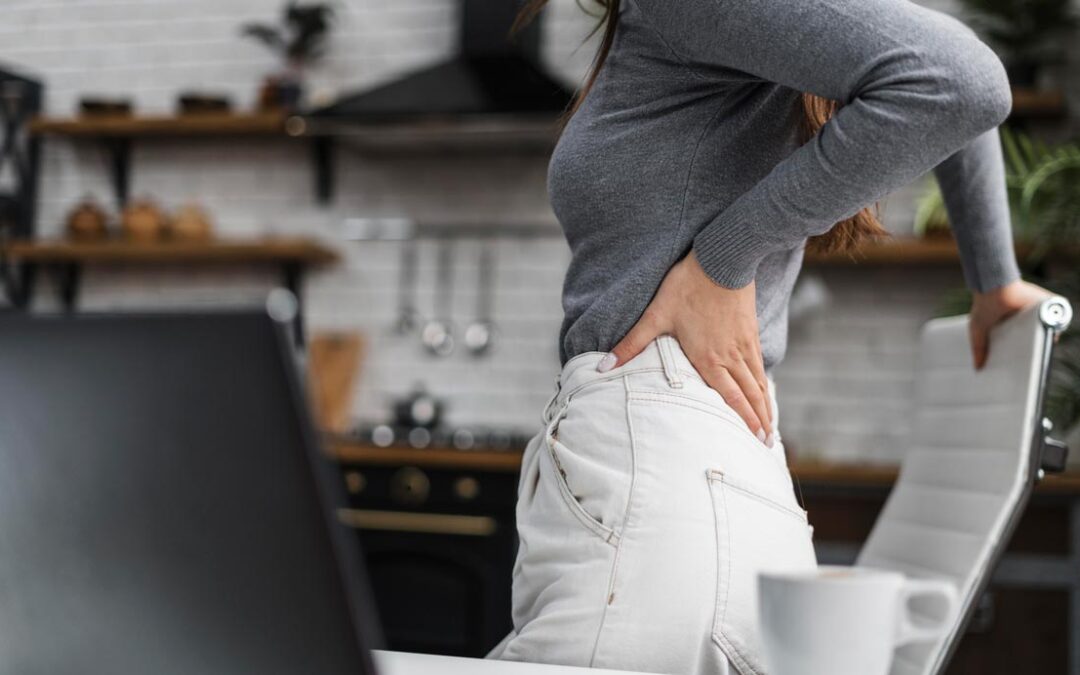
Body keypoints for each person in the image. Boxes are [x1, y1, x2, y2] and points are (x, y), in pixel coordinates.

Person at [488, 0, 1054, 673]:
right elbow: (954, 70)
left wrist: (722, 259)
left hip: (661, 496)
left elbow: (961, 82)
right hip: (688, 488)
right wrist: (993, 280)